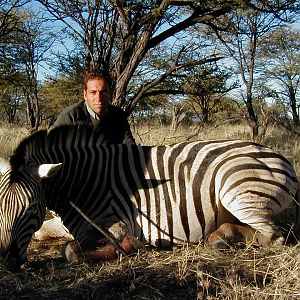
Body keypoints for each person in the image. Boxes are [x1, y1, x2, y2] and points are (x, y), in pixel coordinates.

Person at [52, 70, 135, 144]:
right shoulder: (70, 116)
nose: (99, 98)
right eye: (93, 92)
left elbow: (130, 148)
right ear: (85, 95)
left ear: (110, 94)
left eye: (104, 92)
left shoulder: (118, 115)